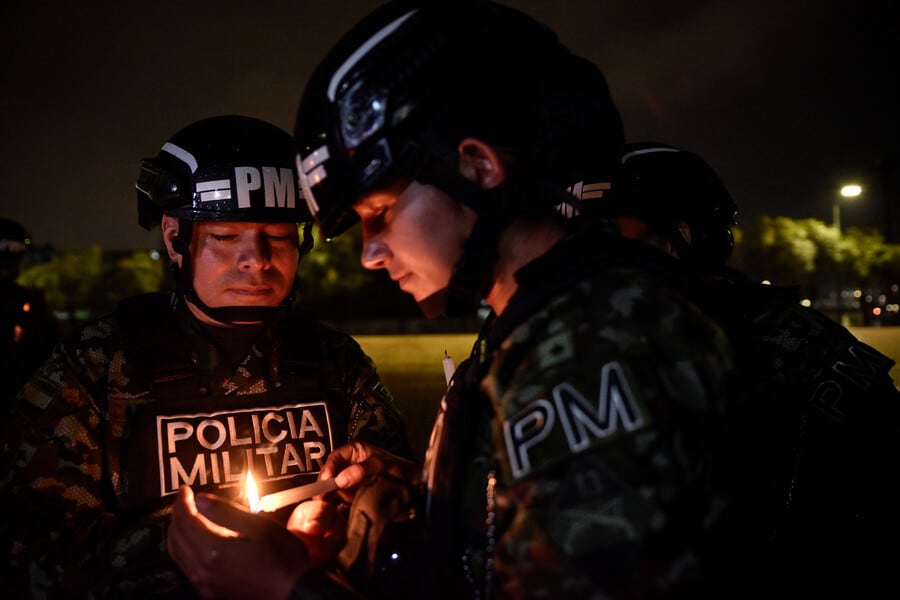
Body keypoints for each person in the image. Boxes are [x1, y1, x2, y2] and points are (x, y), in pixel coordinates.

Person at [166, 2, 762, 598]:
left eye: (380, 213)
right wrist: (435, 490)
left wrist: (286, 586)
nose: (371, 254)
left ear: (478, 167)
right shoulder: (544, 318)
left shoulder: (595, 349)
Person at [0, 115, 412, 597]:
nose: (256, 258)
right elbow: (27, 555)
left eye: (278, 236)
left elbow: (402, 514)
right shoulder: (93, 369)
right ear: (176, 238)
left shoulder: (336, 363)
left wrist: (340, 532)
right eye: (225, 235)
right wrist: (184, 549)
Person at [564, 141, 900, 597]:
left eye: (604, 239)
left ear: (676, 239)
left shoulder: (790, 342)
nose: (580, 263)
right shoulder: (573, 342)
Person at [0, 217, 60, 411]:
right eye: (6, 248)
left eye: (14, 249)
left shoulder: (31, 302)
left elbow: (49, 351)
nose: (10, 255)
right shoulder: (29, 302)